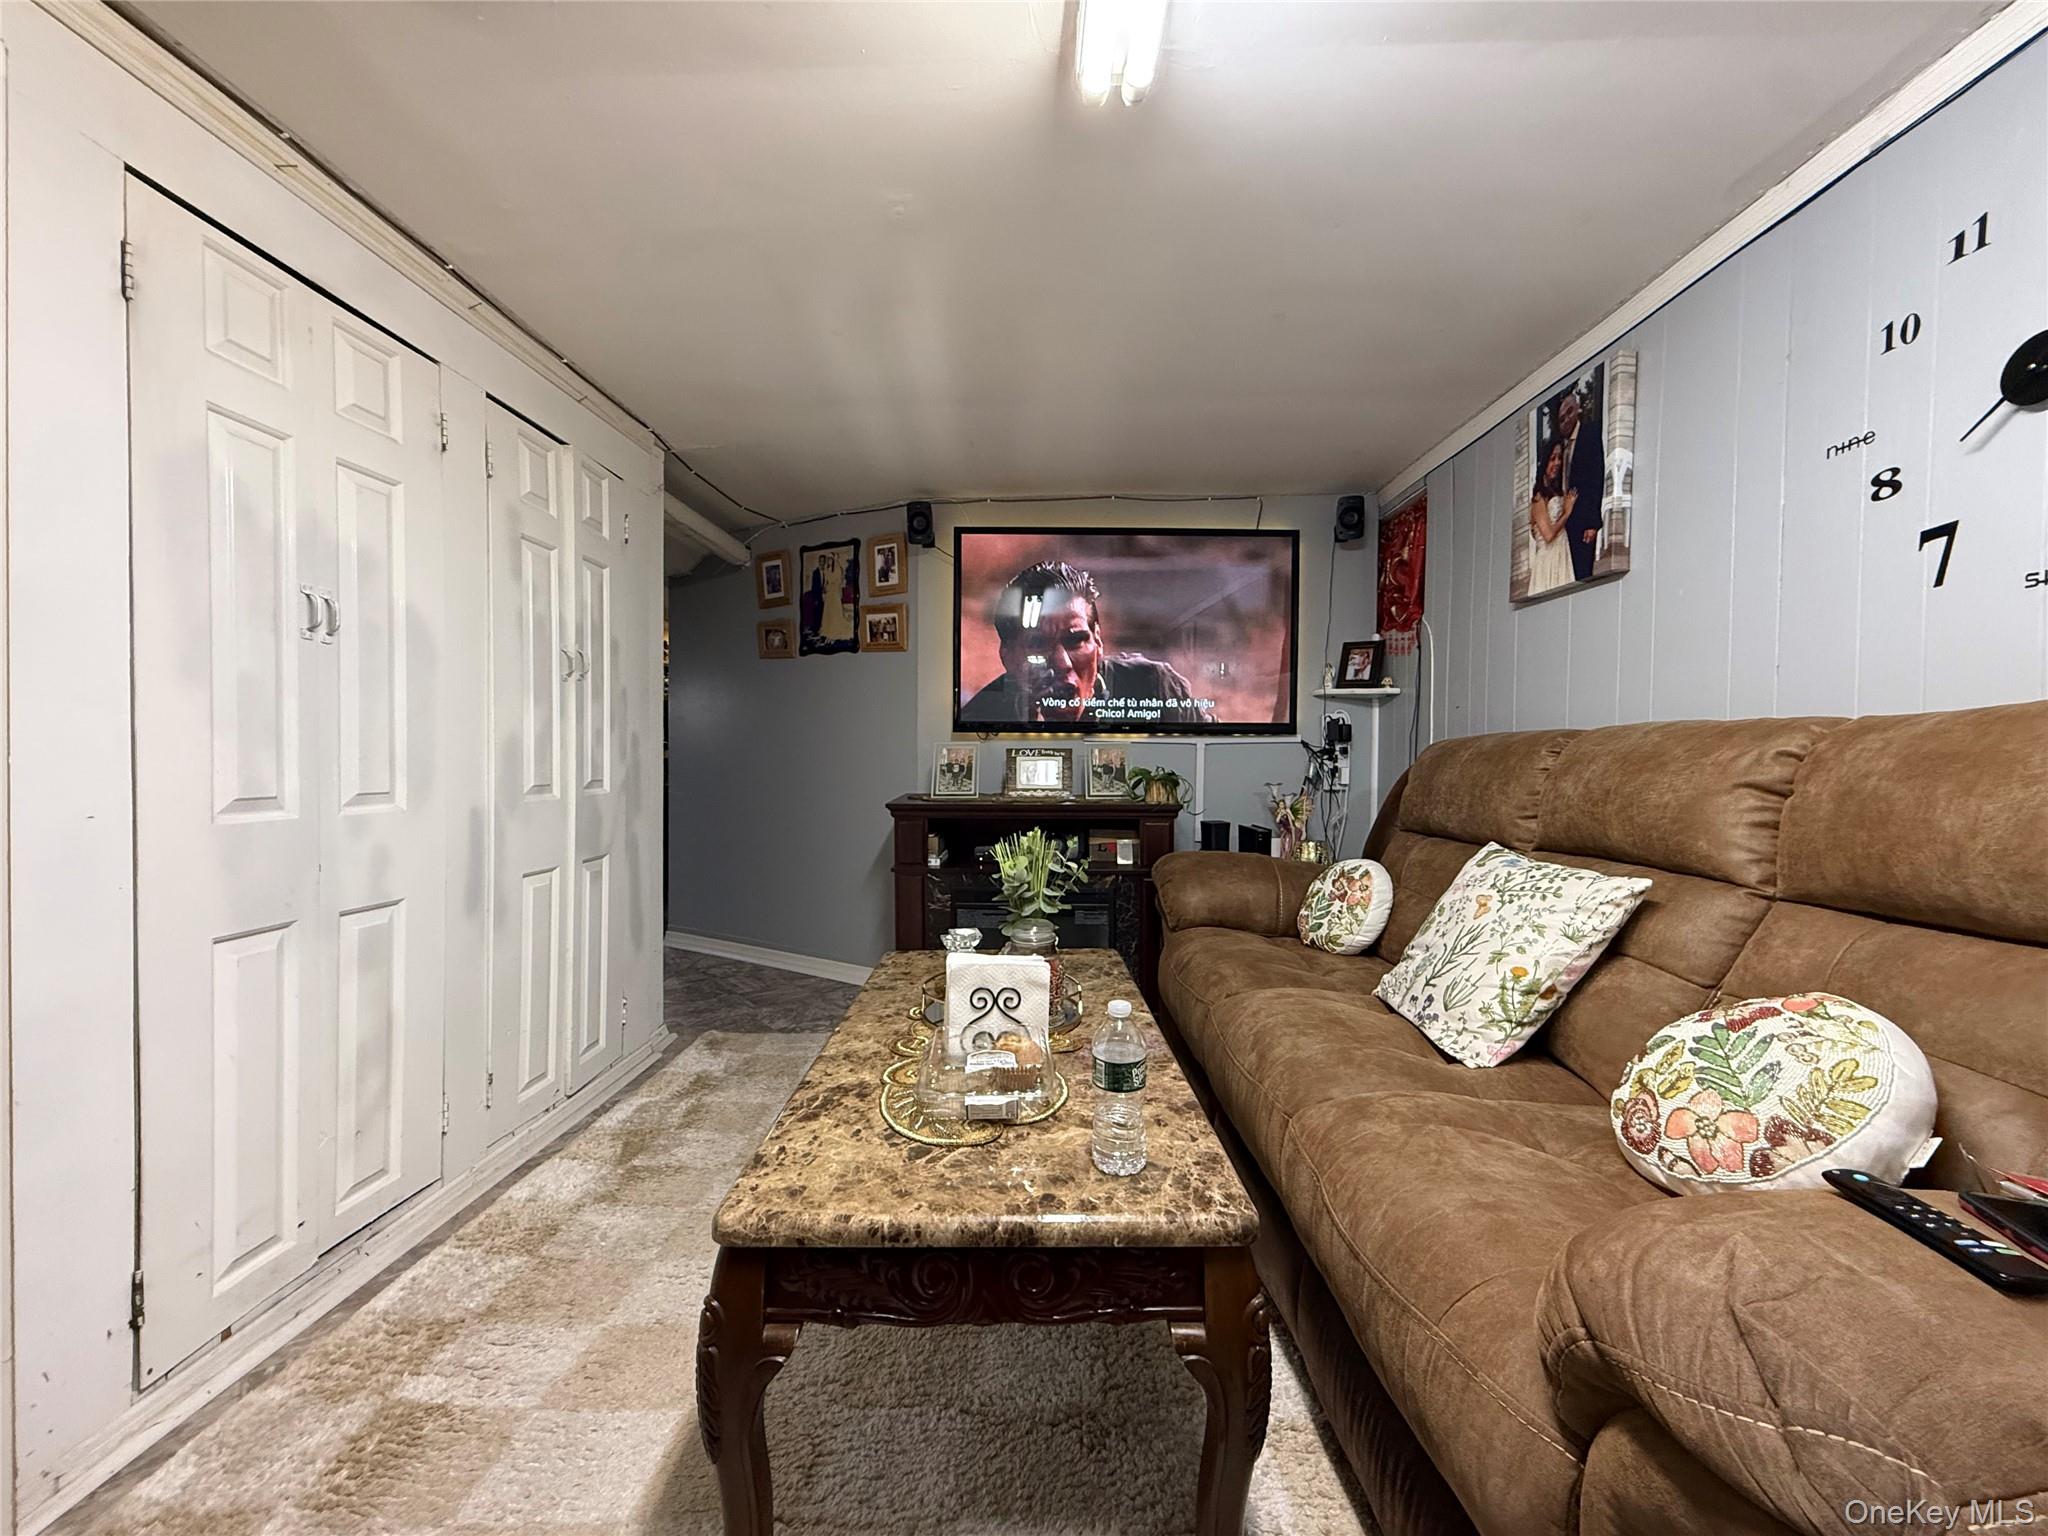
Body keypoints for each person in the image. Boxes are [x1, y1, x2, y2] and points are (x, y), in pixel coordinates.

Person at [958, 560, 1212, 725]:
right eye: (1038, 645)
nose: (1062, 663)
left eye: (1076, 640)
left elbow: (1211, 756)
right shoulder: (982, 717)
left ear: (1098, 642)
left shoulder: (1152, 684)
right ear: (1009, 657)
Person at [1556, 385, 1606, 582]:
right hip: (1564, 523)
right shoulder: (1562, 448)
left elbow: (1596, 477)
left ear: (1577, 409)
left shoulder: (1590, 435)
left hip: (1584, 521)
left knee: (1583, 573)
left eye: (1569, 412)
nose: (1567, 419)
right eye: (1561, 418)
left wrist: (1592, 523)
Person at [1527, 437, 1576, 596]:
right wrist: (1567, 513)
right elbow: (1547, 535)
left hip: (1561, 550)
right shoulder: (1539, 498)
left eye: (1559, 458)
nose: (1557, 463)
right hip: (1549, 557)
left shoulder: (1555, 491)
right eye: (1552, 458)